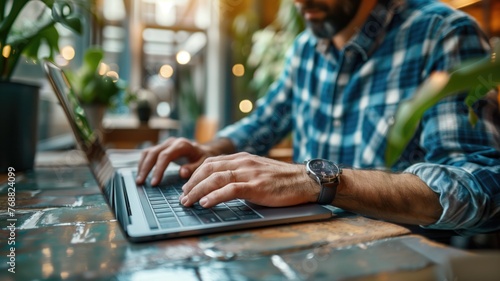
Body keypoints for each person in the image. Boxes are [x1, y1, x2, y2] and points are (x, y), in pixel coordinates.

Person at [136, 0, 500, 236]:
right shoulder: (305, 50)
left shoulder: (442, 33)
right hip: (316, 248)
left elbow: (479, 185)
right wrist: (207, 149)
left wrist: (318, 181)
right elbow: (262, 123)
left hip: (412, 259)